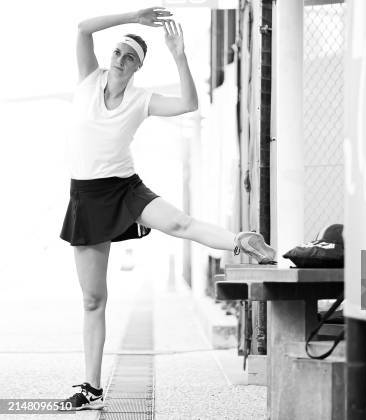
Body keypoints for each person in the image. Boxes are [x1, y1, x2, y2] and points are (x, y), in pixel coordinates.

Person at [58, 7, 276, 410]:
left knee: (179, 221)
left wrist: (179, 54)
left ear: (138, 68)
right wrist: (136, 18)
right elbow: (83, 26)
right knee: (92, 299)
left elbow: (190, 102)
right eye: (119, 53)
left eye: (130, 58)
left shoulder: (141, 99)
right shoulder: (89, 80)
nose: (120, 60)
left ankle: (243, 241)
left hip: (124, 188)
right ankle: (91, 387)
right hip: (86, 198)